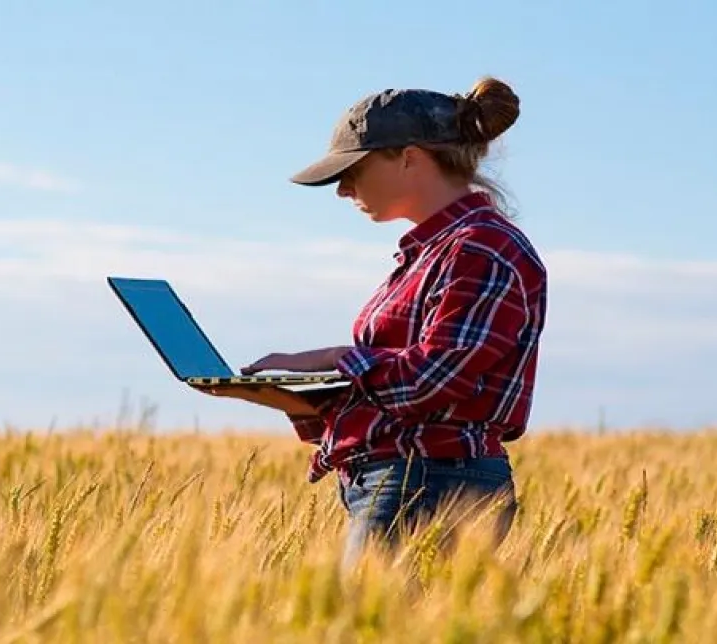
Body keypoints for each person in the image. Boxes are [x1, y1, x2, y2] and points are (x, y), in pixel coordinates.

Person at [203, 76, 548, 569]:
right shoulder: (436, 252)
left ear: (409, 157)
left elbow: (433, 380)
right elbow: (411, 391)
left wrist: (330, 358)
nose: (343, 190)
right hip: (411, 479)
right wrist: (300, 399)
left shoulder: (479, 248)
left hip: (432, 482)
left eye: (354, 170)